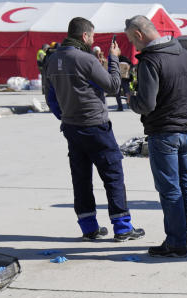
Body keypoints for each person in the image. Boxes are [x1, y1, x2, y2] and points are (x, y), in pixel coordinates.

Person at [44, 17, 143, 241]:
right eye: (92, 36)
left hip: (71, 128)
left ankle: (88, 227)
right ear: (84, 36)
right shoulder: (85, 60)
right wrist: (114, 59)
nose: (93, 40)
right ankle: (122, 227)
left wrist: (66, 116)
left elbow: (50, 97)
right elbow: (114, 86)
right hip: (95, 127)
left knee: (81, 178)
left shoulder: (53, 59)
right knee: (113, 174)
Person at [124, 14, 187, 258]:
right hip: (186, 129)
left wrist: (131, 100)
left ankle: (176, 242)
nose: (134, 47)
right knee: (186, 182)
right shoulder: (182, 52)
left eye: (132, 41)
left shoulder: (150, 60)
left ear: (139, 34)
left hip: (164, 131)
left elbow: (146, 103)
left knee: (170, 188)